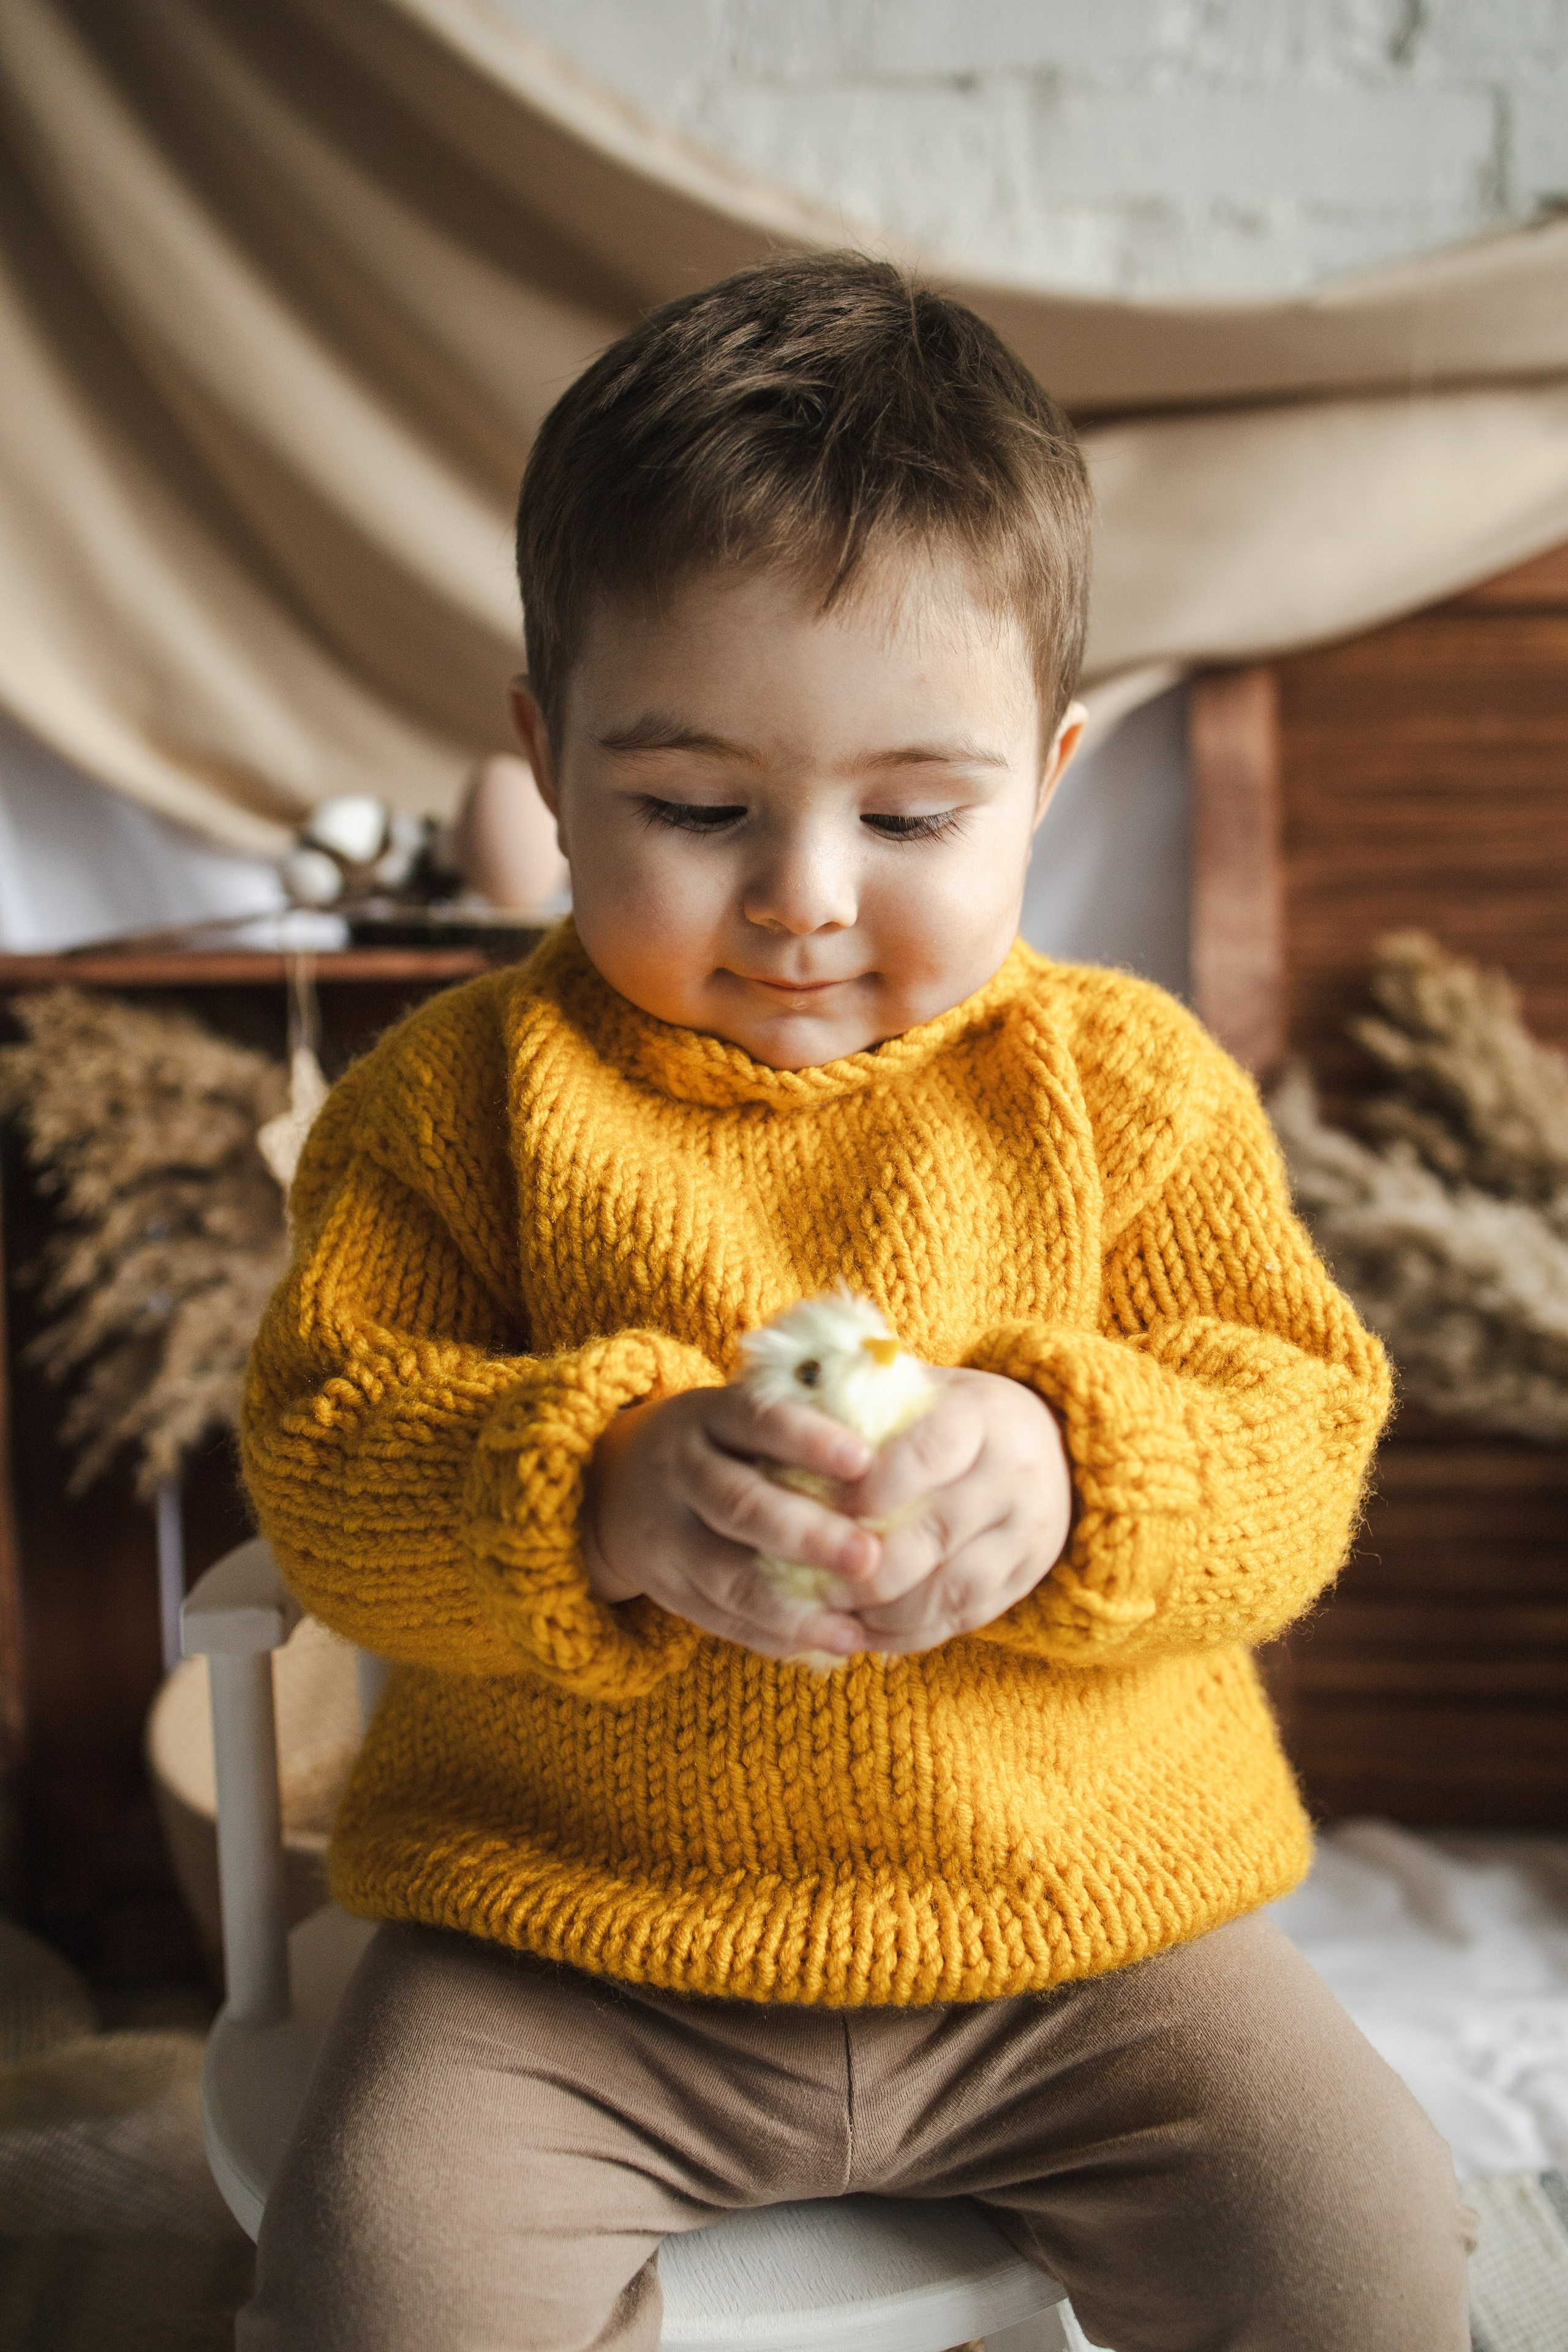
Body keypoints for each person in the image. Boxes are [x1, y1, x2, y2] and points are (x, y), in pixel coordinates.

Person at [236, 252, 1471, 2351]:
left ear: (1048, 771)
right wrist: (595, 1491)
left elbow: (1298, 1423)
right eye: (695, 808)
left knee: (1366, 2255)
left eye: (910, 812)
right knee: (380, 2282)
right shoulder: (455, 1103)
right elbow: (327, 1448)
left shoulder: (1125, 1088)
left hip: (1089, 1935)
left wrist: (1081, 1473)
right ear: (546, 761)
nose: (805, 889)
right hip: (576, 1948)